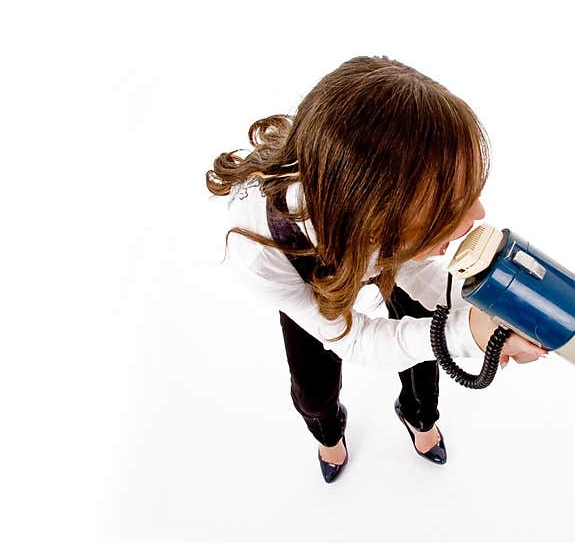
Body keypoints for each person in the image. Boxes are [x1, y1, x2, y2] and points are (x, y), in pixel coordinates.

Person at [205, 56, 546, 483]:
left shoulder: (382, 193)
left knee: (423, 345)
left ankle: (419, 418)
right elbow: (357, 338)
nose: (477, 214)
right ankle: (329, 433)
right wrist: (469, 332)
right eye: (449, 206)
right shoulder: (258, 249)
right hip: (308, 282)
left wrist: (489, 313)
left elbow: (413, 274)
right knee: (313, 387)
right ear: (374, 219)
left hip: (382, 243)